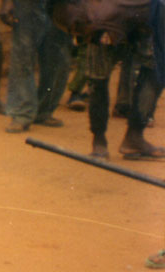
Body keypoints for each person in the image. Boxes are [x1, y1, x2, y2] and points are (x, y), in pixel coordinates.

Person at [50, 0, 164, 159]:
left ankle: (133, 137)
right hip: (105, 18)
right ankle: (100, 142)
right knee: (98, 77)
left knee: (156, 69)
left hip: (141, 17)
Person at [0, 0, 71, 132]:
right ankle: (21, 114)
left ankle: (44, 110)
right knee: (22, 57)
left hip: (58, 5)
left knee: (57, 60)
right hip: (26, 5)